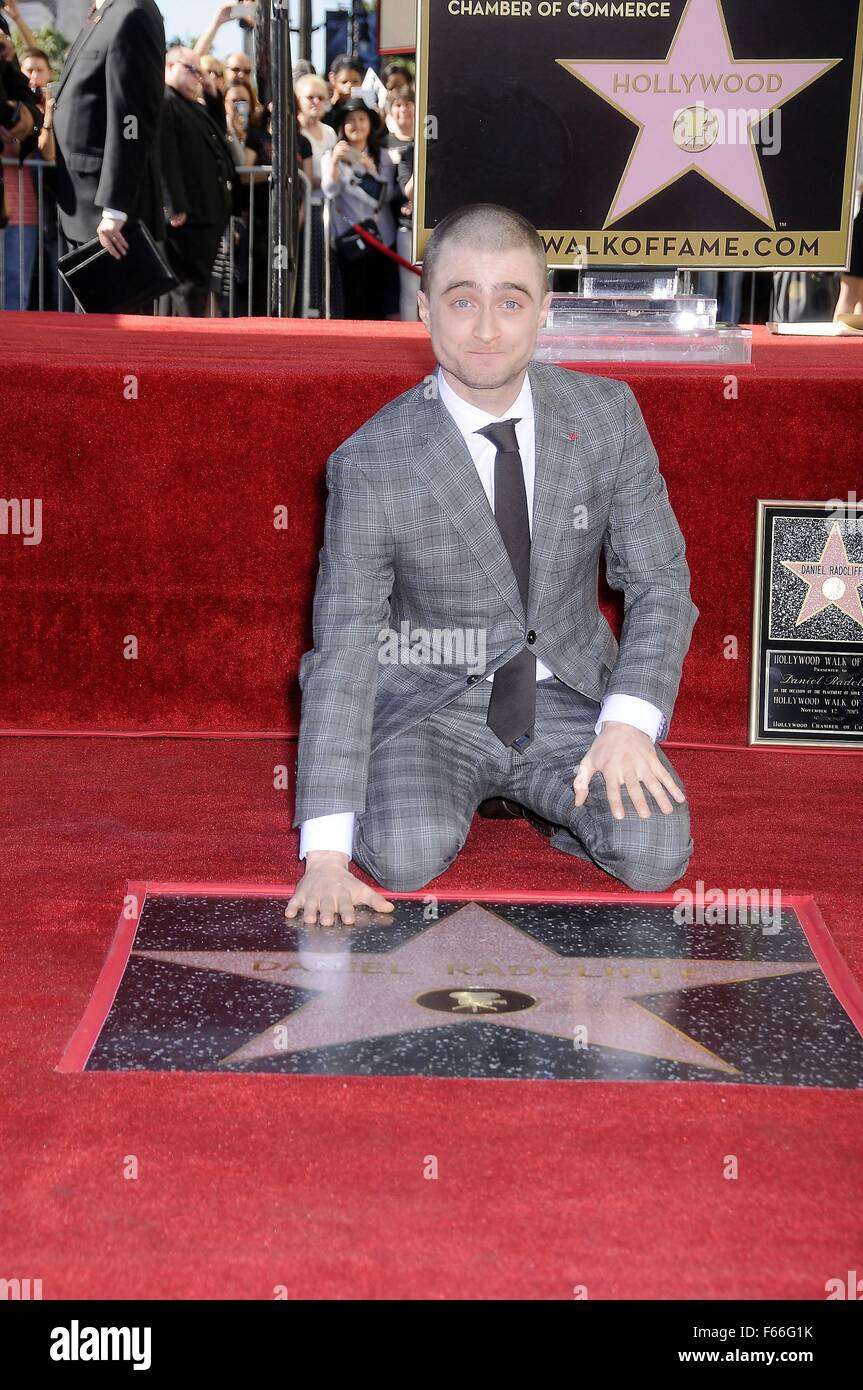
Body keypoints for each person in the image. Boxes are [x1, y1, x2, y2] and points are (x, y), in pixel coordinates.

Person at [286, 203, 698, 926]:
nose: (484, 328)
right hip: (433, 703)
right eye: (461, 300)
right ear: (423, 309)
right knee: (406, 855)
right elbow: (346, 644)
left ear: (544, 310)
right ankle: (494, 791)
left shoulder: (607, 416)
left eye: (509, 301)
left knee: (655, 855)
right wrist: (324, 853)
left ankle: (541, 798)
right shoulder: (371, 462)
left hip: (567, 696)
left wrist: (627, 722)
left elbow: (660, 582)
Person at [51, 0, 165, 265]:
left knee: (119, 307)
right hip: (83, 205)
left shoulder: (131, 13)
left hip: (106, 213)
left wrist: (116, 208)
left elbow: (132, 117)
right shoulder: (106, 14)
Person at [159, 47, 235, 317]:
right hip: (188, 213)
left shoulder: (191, 104)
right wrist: (173, 204)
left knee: (197, 285)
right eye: (190, 69)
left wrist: (213, 93)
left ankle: (187, 343)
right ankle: (184, 348)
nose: (197, 77)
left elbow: (217, 131)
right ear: (169, 67)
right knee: (187, 287)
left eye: (199, 71)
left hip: (207, 209)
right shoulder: (165, 100)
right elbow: (163, 154)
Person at [320, 95, 400, 321]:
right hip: (351, 236)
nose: (356, 125)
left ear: (370, 124)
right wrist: (336, 162)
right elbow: (330, 190)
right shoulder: (331, 154)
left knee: (377, 297)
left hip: (381, 237)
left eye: (362, 119)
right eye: (351, 120)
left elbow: (383, 196)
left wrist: (367, 169)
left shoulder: (381, 156)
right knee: (354, 297)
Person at [321, 54, 362, 131]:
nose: (349, 86)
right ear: (332, 78)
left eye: (355, 81)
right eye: (344, 82)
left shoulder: (366, 111)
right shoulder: (323, 111)